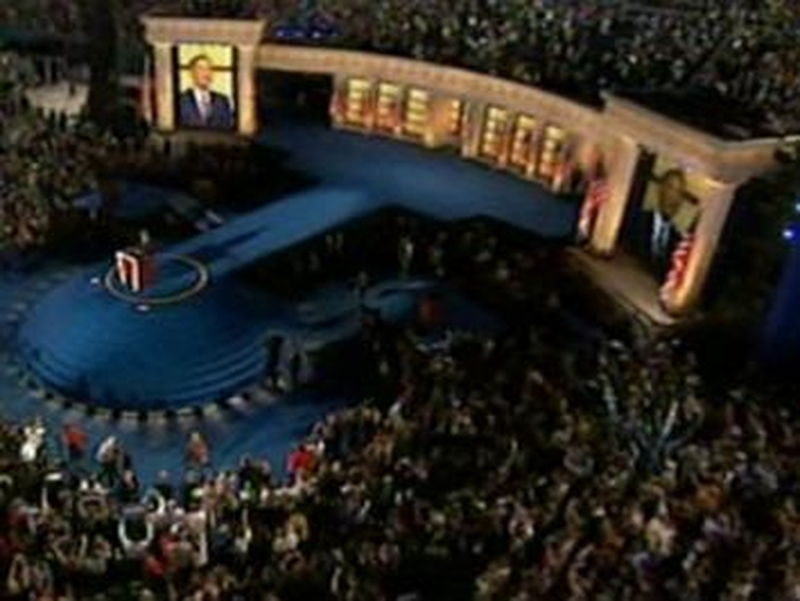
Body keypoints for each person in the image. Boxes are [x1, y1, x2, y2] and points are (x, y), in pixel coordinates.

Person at [178, 54, 235, 130]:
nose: (206, 73)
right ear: (191, 73)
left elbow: (229, 127)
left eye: (209, 69)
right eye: (201, 68)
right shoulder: (180, 101)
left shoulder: (223, 101)